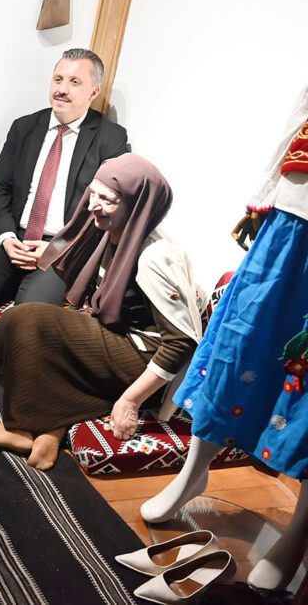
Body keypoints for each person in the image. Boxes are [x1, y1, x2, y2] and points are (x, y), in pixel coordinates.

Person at [141, 86, 308, 593]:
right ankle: (194, 470)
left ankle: (300, 529)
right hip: (294, 215)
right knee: (239, 349)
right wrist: (263, 197)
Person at [0, 154, 203, 470]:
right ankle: (50, 429)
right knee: (18, 321)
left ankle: (21, 427)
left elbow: (181, 343)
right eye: (92, 193)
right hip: (116, 333)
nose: (93, 205)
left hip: (144, 357)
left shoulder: (155, 257)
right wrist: (46, 251)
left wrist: (130, 401)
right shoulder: (114, 229)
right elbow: (73, 241)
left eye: (107, 200)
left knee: (29, 323)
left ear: (135, 205)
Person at [0, 48, 130, 309]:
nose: (62, 89)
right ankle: (20, 278)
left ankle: (32, 287)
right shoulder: (24, 127)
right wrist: (7, 237)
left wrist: (58, 248)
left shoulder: (110, 137)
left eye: (74, 82)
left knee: (29, 311)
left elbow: (107, 208)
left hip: (63, 244)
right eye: (58, 79)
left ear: (93, 92)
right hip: (16, 235)